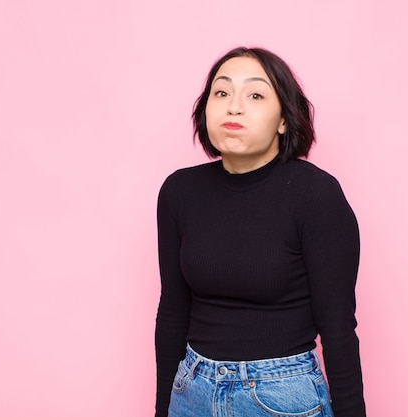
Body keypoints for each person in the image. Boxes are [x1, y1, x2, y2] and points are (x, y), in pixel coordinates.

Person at [155, 46, 365, 417]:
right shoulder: (179, 192)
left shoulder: (315, 194)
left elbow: (338, 330)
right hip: (192, 390)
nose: (233, 107)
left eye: (255, 95)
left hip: (281, 396)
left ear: (284, 120)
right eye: (221, 93)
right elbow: (173, 311)